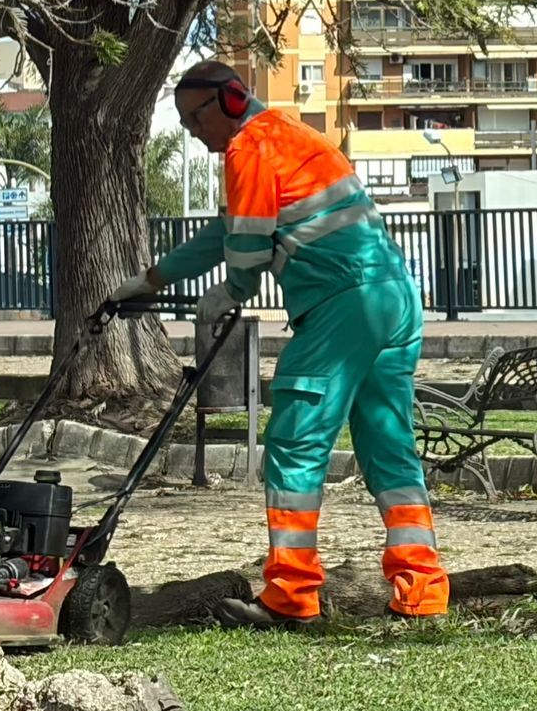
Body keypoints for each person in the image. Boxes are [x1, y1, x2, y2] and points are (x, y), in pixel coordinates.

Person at [112, 60, 449, 629]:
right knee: (389, 447)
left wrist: (232, 290)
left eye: (194, 120)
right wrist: (153, 279)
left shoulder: (249, 147)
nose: (193, 134)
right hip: (393, 297)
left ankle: (291, 595)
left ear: (228, 101)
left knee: (294, 444)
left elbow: (246, 245)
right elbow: (228, 231)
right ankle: (422, 592)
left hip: (343, 306)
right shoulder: (289, 137)